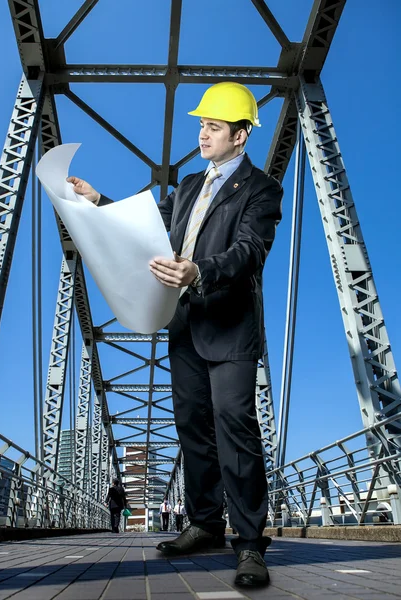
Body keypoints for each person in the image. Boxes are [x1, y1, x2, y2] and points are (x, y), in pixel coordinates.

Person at [67, 82, 283, 588]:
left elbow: (251, 250)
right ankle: (205, 524)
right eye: (202, 125)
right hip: (185, 326)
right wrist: (99, 201)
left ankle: (249, 542)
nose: (203, 134)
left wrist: (198, 272)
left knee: (236, 426)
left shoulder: (260, 189)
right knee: (191, 427)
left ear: (241, 136)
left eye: (213, 126)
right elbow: (149, 229)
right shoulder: (187, 187)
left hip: (229, 326)